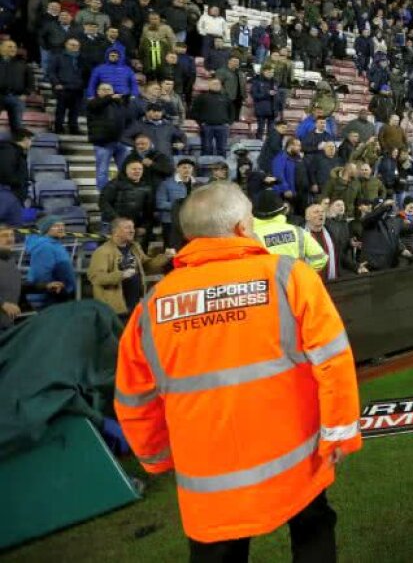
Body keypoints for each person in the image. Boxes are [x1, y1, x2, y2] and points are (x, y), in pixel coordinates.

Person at [114, 181, 361, 560]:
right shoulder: (289, 276)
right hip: (295, 461)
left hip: (208, 478)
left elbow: (134, 397)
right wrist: (339, 435)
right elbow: (332, 360)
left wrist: (157, 457)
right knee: (313, 535)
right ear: (242, 228)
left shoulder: (151, 307)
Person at [87, 217, 173, 318]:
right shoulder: (102, 251)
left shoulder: (135, 247)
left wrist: (165, 257)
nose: (132, 231)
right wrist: (121, 275)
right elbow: (95, 277)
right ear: (116, 231)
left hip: (134, 304)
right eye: (127, 228)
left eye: (133, 227)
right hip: (114, 309)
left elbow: (147, 266)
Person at [252, 190, 329, 271]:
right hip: (296, 282)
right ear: (283, 211)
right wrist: (300, 273)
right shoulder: (298, 231)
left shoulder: (251, 237)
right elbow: (321, 258)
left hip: (268, 282)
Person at [87, 82, 131, 191]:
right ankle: (103, 194)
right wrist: (110, 97)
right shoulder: (93, 102)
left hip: (119, 141)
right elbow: (98, 104)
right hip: (103, 143)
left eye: (109, 90)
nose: (107, 92)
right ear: (98, 92)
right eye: (103, 89)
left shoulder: (117, 104)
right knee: (102, 171)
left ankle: (124, 192)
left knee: (125, 169)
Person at [25, 215, 75, 309]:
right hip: (49, 298)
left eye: (62, 225)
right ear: (46, 229)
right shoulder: (45, 247)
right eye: (55, 225)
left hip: (58, 295)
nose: (61, 228)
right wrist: (50, 290)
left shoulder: (55, 245)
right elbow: (41, 275)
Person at [100, 158, 156, 239]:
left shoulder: (147, 187)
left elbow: (149, 211)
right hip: (113, 225)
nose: (137, 171)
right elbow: (103, 203)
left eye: (140, 169)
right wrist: (117, 220)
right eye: (134, 169)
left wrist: (144, 226)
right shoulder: (114, 184)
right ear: (126, 170)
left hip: (135, 228)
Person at [305, 203, 362, 281]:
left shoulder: (329, 232)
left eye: (322, 212)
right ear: (307, 217)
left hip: (331, 281)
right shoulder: (301, 234)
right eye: (316, 212)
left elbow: (339, 254)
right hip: (310, 282)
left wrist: (356, 267)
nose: (320, 214)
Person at [47, 36, 86, 133]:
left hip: (78, 89)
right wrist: (56, 83)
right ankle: (58, 128)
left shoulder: (82, 59)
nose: (74, 47)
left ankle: (73, 128)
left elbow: (87, 73)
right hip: (62, 88)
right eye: (72, 45)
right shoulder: (58, 57)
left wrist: (84, 84)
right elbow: (51, 72)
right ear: (66, 45)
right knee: (60, 110)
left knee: (75, 111)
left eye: (77, 45)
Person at [157, 158, 197, 250]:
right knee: (171, 249)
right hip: (170, 222)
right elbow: (160, 203)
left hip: (191, 222)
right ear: (177, 169)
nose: (187, 170)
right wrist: (181, 206)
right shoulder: (166, 184)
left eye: (189, 167)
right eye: (184, 167)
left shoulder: (198, 184)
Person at [0, 39, 35, 135]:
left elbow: (31, 81)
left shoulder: (22, 63)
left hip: (17, 97)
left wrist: (25, 93)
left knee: (17, 126)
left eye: (15, 47)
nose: (13, 49)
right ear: (1, 48)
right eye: (9, 47)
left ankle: (15, 147)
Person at [191, 78, 233, 157]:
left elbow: (232, 112)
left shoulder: (226, 98)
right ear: (209, 85)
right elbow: (194, 111)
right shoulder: (201, 97)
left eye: (218, 84)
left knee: (222, 149)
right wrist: (201, 123)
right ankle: (206, 168)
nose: (216, 85)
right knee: (206, 148)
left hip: (222, 127)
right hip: (207, 126)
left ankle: (222, 168)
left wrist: (229, 123)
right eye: (214, 84)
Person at [0, 129, 32, 227]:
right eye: (31, 139)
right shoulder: (10, 151)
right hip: (9, 193)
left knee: (15, 228)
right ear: (25, 139)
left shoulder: (15, 151)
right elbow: (5, 171)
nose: (31, 143)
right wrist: (18, 183)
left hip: (13, 194)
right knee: (14, 225)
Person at [0, 225, 23, 328]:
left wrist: (44, 285)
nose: (10, 239)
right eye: (4, 235)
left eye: (11, 235)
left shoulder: (10, 260)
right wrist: (3, 304)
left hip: (7, 324)